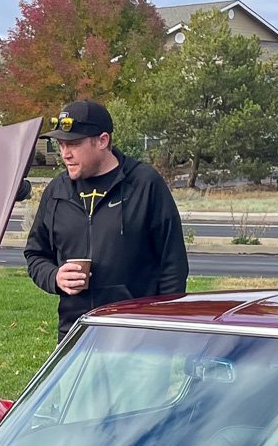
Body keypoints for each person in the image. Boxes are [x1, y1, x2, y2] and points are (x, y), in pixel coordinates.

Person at [22, 99, 188, 339]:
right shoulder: (57, 191)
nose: (65, 154)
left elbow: (172, 262)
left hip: (137, 333)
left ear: (102, 140)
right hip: (76, 334)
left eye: (74, 144)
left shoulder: (144, 184)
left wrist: (164, 325)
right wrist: (55, 277)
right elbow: (35, 254)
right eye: (61, 145)